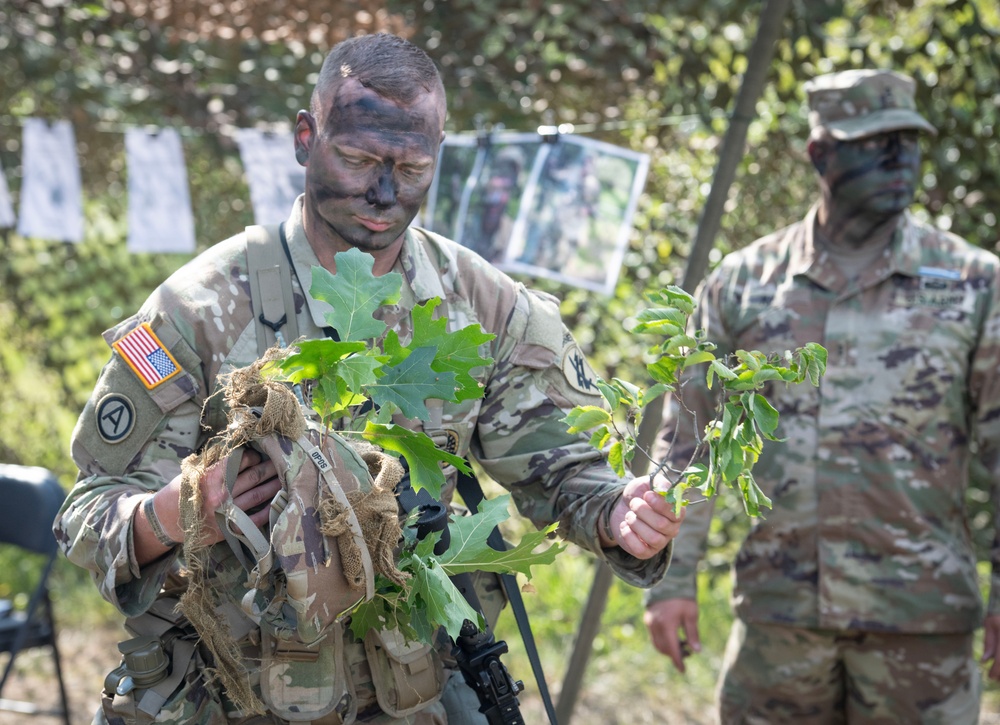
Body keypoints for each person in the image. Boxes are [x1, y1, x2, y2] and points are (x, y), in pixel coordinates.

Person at [55, 33, 683, 725]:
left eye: (412, 167)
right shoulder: (200, 309)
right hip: (226, 697)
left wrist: (619, 513)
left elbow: (564, 472)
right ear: (305, 138)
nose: (384, 193)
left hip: (406, 697)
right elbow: (87, 513)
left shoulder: (483, 305)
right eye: (357, 160)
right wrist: (178, 511)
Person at [642, 68, 1000, 723]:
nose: (899, 161)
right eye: (874, 143)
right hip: (782, 621)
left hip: (919, 627)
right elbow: (688, 444)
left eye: (909, 142)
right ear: (820, 152)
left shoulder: (975, 284)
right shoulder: (744, 284)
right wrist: (670, 578)